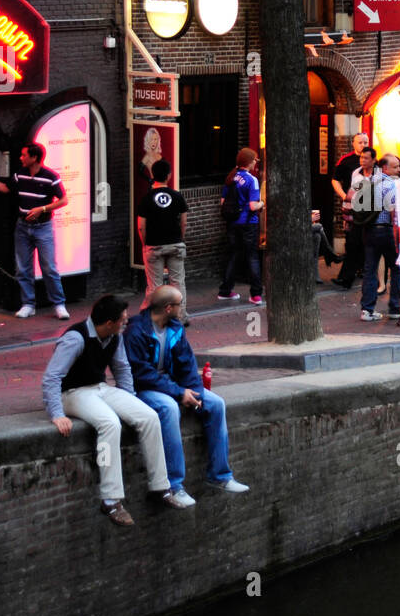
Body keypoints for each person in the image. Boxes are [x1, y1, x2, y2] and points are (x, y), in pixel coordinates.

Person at [44, 295, 183, 527]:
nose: (126, 323)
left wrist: (130, 402)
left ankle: (161, 486)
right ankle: (110, 499)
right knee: (109, 423)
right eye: (123, 320)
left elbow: (122, 369)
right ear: (109, 323)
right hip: (72, 393)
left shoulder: (114, 336)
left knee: (148, 416)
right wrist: (57, 413)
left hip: (100, 388)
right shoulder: (75, 338)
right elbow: (52, 377)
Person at [124, 286, 249, 507]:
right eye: (180, 304)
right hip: (145, 388)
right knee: (169, 409)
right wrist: (179, 393)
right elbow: (142, 373)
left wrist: (195, 393)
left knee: (216, 403)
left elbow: (188, 364)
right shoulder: (136, 331)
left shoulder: (175, 328)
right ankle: (174, 484)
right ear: (168, 307)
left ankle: (220, 475)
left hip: (174, 385)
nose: (183, 308)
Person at [0, 142, 68, 319]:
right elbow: (5, 189)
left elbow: (63, 200)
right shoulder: (19, 175)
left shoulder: (50, 176)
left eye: (24, 155)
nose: (21, 158)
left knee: (49, 267)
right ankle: (28, 304)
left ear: (34, 158)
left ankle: (59, 304)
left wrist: (42, 209)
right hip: (22, 227)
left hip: (43, 228)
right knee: (23, 268)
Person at [137, 158, 188, 318]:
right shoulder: (177, 196)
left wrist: (145, 243)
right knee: (178, 282)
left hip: (154, 246)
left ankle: (154, 317)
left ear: (153, 175)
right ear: (169, 175)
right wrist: (180, 239)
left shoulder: (146, 198)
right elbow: (184, 222)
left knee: (154, 285)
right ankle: (180, 317)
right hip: (175, 244)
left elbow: (141, 225)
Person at [359, 153, 400, 322]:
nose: (398, 169)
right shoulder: (392, 185)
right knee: (396, 268)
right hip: (388, 231)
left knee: (370, 269)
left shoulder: (368, 181)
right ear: (385, 168)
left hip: (370, 231)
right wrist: (397, 231)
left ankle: (367, 310)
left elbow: (352, 198)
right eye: (395, 166)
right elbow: (394, 211)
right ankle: (394, 308)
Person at [219, 147, 265, 305]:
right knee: (252, 257)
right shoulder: (252, 180)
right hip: (248, 224)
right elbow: (253, 206)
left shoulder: (231, 177)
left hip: (232, 223)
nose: (255, 163)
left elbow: (223, 202)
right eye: (255, 160)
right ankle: (256, 294)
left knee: (234, 255)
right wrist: (262, 203)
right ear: (249, 162)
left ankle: (225, 290)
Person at [332, 134, 370, 289]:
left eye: (365, 142)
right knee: (352, 240)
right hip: (351, 208)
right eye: (360, 142)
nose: (363, 145)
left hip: (367, 208)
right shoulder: (346, 161)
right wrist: (344, 196)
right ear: (353, 144)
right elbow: (335, 179)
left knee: (360, 241)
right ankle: (349, 275)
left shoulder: (374, 162)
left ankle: (352, 274)